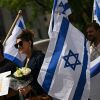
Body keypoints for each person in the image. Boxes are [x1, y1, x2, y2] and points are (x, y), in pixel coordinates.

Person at [14, 29, 52, 99]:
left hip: (42, 96)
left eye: (20, 43)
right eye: (16, 45)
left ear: (29, 43)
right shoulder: (23, 63)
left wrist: (30, 87)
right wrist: (21, 88)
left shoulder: (39, 57)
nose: (18, 46)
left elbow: (47, 78)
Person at [86, 21, 100, 100]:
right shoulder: (88, 49)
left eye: (91, 31)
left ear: (98, 31)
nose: (89, 34)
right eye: (87, 32)